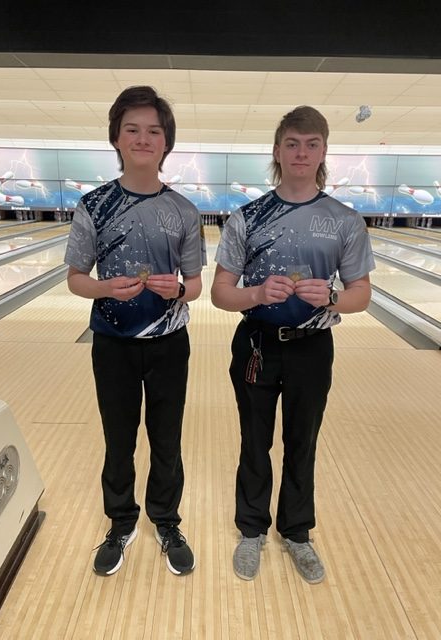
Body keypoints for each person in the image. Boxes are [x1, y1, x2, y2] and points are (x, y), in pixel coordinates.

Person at [211, 105, 375, 584]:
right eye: (292, 143)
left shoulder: (345, 221)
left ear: (323, 151)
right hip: (257, 344)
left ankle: (297, 533)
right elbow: (222, 293)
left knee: (302, 442)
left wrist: (332, 296)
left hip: (312, 348)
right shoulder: (248, 218)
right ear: (277, 151)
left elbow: (361, 295)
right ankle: (251, 529)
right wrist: (258, 294)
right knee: (255, 441)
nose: (301, 152)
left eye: (312, 144)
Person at [64, 85, 205, 577]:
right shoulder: (93, 205)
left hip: (170, 344)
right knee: (118, 438)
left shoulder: (185, 210)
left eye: (154, 131)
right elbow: (75, 280)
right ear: (117, 139)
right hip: (113, 344)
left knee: (166, 439)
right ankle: (121, 522)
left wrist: (178, 290)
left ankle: (166, 522)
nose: (143, 139)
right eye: (133, 130)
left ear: (166, 142)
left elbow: (197, 287)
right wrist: (106, 288)